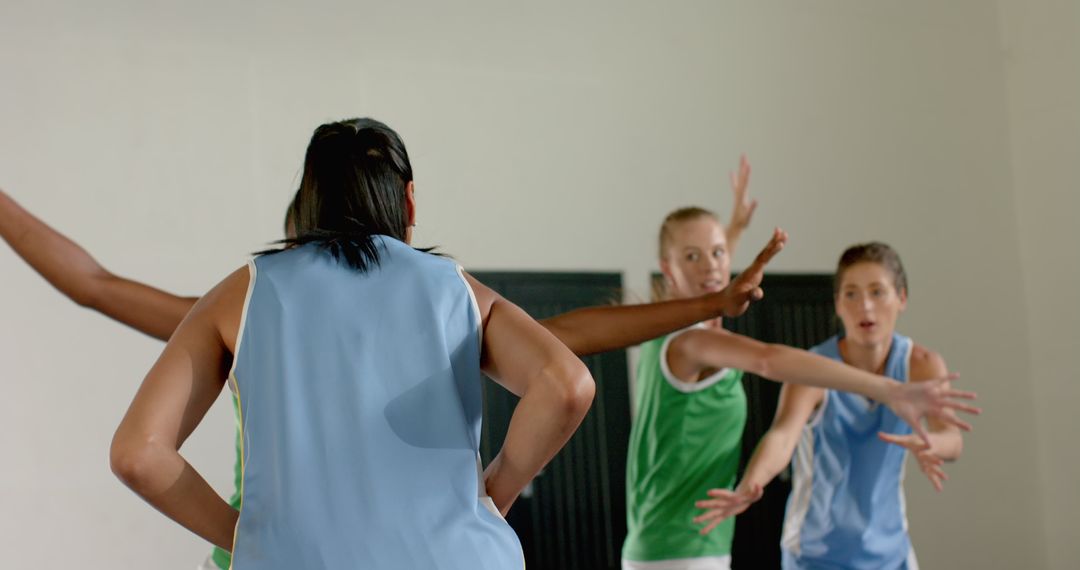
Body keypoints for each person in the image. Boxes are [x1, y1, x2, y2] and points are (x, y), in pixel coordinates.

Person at [0, 154, 772, 568]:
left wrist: (709, 303)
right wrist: (496, 491)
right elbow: (573, 353)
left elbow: (94, 292)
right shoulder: (435, 300)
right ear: (406, 204)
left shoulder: (241, 304)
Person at [622, 210, 978, 570]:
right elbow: (775, 398)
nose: (865, 305)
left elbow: (953, 439)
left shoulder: (920, 363)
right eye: (852, 294)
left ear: (901, 298)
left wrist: (931, 443)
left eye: (877, 292)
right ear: (837, 304)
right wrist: (753, 481)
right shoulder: (698, 342)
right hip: (798, 552)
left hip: (888, 550)